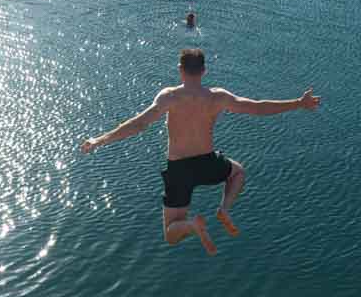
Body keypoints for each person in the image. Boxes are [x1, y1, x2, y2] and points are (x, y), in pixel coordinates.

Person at [80, 48, 321, 255]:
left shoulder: (170, 97)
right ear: (204, 70)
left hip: (179, 169)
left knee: (171, 234)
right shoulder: (218, 97)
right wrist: (298, 103)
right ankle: (224, 210)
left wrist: (99, 140)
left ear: (180, 69)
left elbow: (138, 125)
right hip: (207, 162)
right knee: (237, 172)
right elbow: (257, 108)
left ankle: (192, 226)